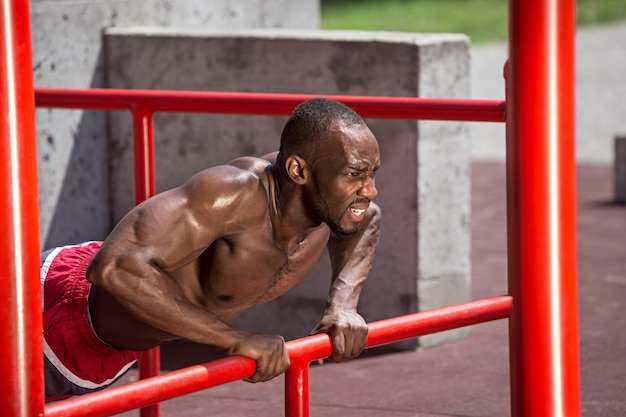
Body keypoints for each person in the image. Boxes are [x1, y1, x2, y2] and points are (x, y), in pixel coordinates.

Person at [41, 98, 382, 401]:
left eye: (371, 174)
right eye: (355, 174)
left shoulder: (332, 207)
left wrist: (343, 307)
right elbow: (113, 268)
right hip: (52, 317)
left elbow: (368, 220)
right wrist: (233, 338)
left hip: (113, 351)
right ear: (299, 170)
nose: (370, 190)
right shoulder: (234, 194)